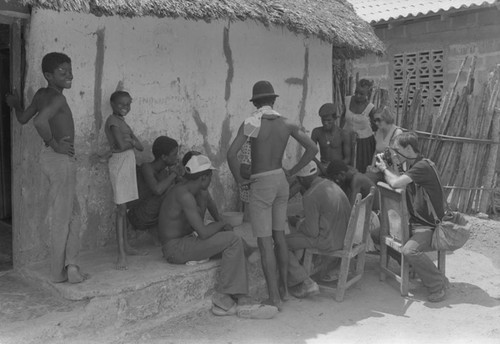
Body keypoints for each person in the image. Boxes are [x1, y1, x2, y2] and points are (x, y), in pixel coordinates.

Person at [227, 80, 318, 310]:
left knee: (265, 241)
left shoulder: (251, 122)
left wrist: (240, 180)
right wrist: (293, 172)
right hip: (281, 181)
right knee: (279, 236)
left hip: (261, 182)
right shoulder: (286, 122)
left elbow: (231, 154)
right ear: (274, 100)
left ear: (255, 102)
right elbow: (313, 149)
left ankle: (273, 298)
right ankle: (285, 292)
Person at [159, 154, 278, 319]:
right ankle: (227, 297)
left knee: (230, 240)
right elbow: (204, 233)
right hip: (176, 249)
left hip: (184, 242)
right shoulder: (184, 195)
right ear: (204, 177)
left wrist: (222, 225)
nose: (211, 180)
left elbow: (207, 221)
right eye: (210, 177)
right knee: (232, 239)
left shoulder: (191, 190)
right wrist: (222, 224)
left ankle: (235, 299)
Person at [5, 52, 88, 283]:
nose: (69, 75)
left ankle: (71, 267)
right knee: (66, 217)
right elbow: (39, 122)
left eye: (70, 70)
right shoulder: (58, 99)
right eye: (63, 72)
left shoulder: (42, 95)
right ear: (48, 75)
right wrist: (55, 144)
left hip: (50, 159)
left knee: (72, 213)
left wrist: (14, 105)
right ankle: (60, 272)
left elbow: (23, 118)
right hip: (60, 159)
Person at [374, 131, 448, 302]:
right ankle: (411, 267)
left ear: (408, 149)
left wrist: (384, 168)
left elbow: (395, 183)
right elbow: (398, 179)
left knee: (409, 250)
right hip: (415, 223)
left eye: (396, 149)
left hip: (430, 226)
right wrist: (391, 165)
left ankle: (438, 284)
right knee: (376, 234)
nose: (394, 153)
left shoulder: (422, 167)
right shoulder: (412, 165)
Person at [286, 161, 351, 298]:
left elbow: (312, 232)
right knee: (299, 233)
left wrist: (297, 222)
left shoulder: (310, 195)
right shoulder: (331, 185)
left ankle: (304, 282)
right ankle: (307, 268)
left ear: (302, 179)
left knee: (282, 242)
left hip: (329, 241)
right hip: (344, 237)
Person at [104, 90, 145, 270]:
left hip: (127, 163)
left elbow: (141, 146)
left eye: (128, 104)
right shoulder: (112, 122)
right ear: (112, 105)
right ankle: (121, 253)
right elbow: (122, 145)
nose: (125, 107)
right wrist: (131, 143)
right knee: (121, 209)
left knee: (125, 207)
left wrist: (131, 143)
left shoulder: (122, 122)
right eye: (121, 104)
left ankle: (126, 246)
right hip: (119, 164)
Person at [127, 136, 182, 237]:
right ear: (164, 157)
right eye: (174, 154)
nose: (177, 157)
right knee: (173, 192)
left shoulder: (165, 172)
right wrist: (174, 174)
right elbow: (158, 190)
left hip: (152, 217)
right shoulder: (147, 167)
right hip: (137, 216)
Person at [341, 79, 376, 173]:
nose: (357, 95)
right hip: (347, 139)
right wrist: (340, 133)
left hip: (364, 142)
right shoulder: (348, 100)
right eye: (356, 92)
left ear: (367, 94)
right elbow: (343, 117)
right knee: (345, 166)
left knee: (361, 167)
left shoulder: (370, 108)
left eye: (361, 94)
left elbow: (375, 126)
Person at [181, 151, 222, 222]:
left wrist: (220, 222)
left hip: (197, 226)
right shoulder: (183, 188)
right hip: (187, 228)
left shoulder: (199, 184)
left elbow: (210, 202)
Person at [365, 106, 403, 184]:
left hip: (393, 171)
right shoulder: (379, 132)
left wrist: (378, 169)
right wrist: (372, 166)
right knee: (365, 178)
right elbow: (376, 151)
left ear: (387, 118)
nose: (376, 123)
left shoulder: (397, 133)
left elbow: (395, 158)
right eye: (375, 120)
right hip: (381, 169)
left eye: (379, 120)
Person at [311, 103, 351, 173]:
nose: (325, 123)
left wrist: (336, 168)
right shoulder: (316, 132)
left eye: (329, 120)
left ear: (335, 118)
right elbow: (311, 154)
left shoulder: (343, 134)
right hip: (323, 165)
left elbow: (347, 158)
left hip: (339, 166)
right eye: (323, 120)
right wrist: (321, 166)